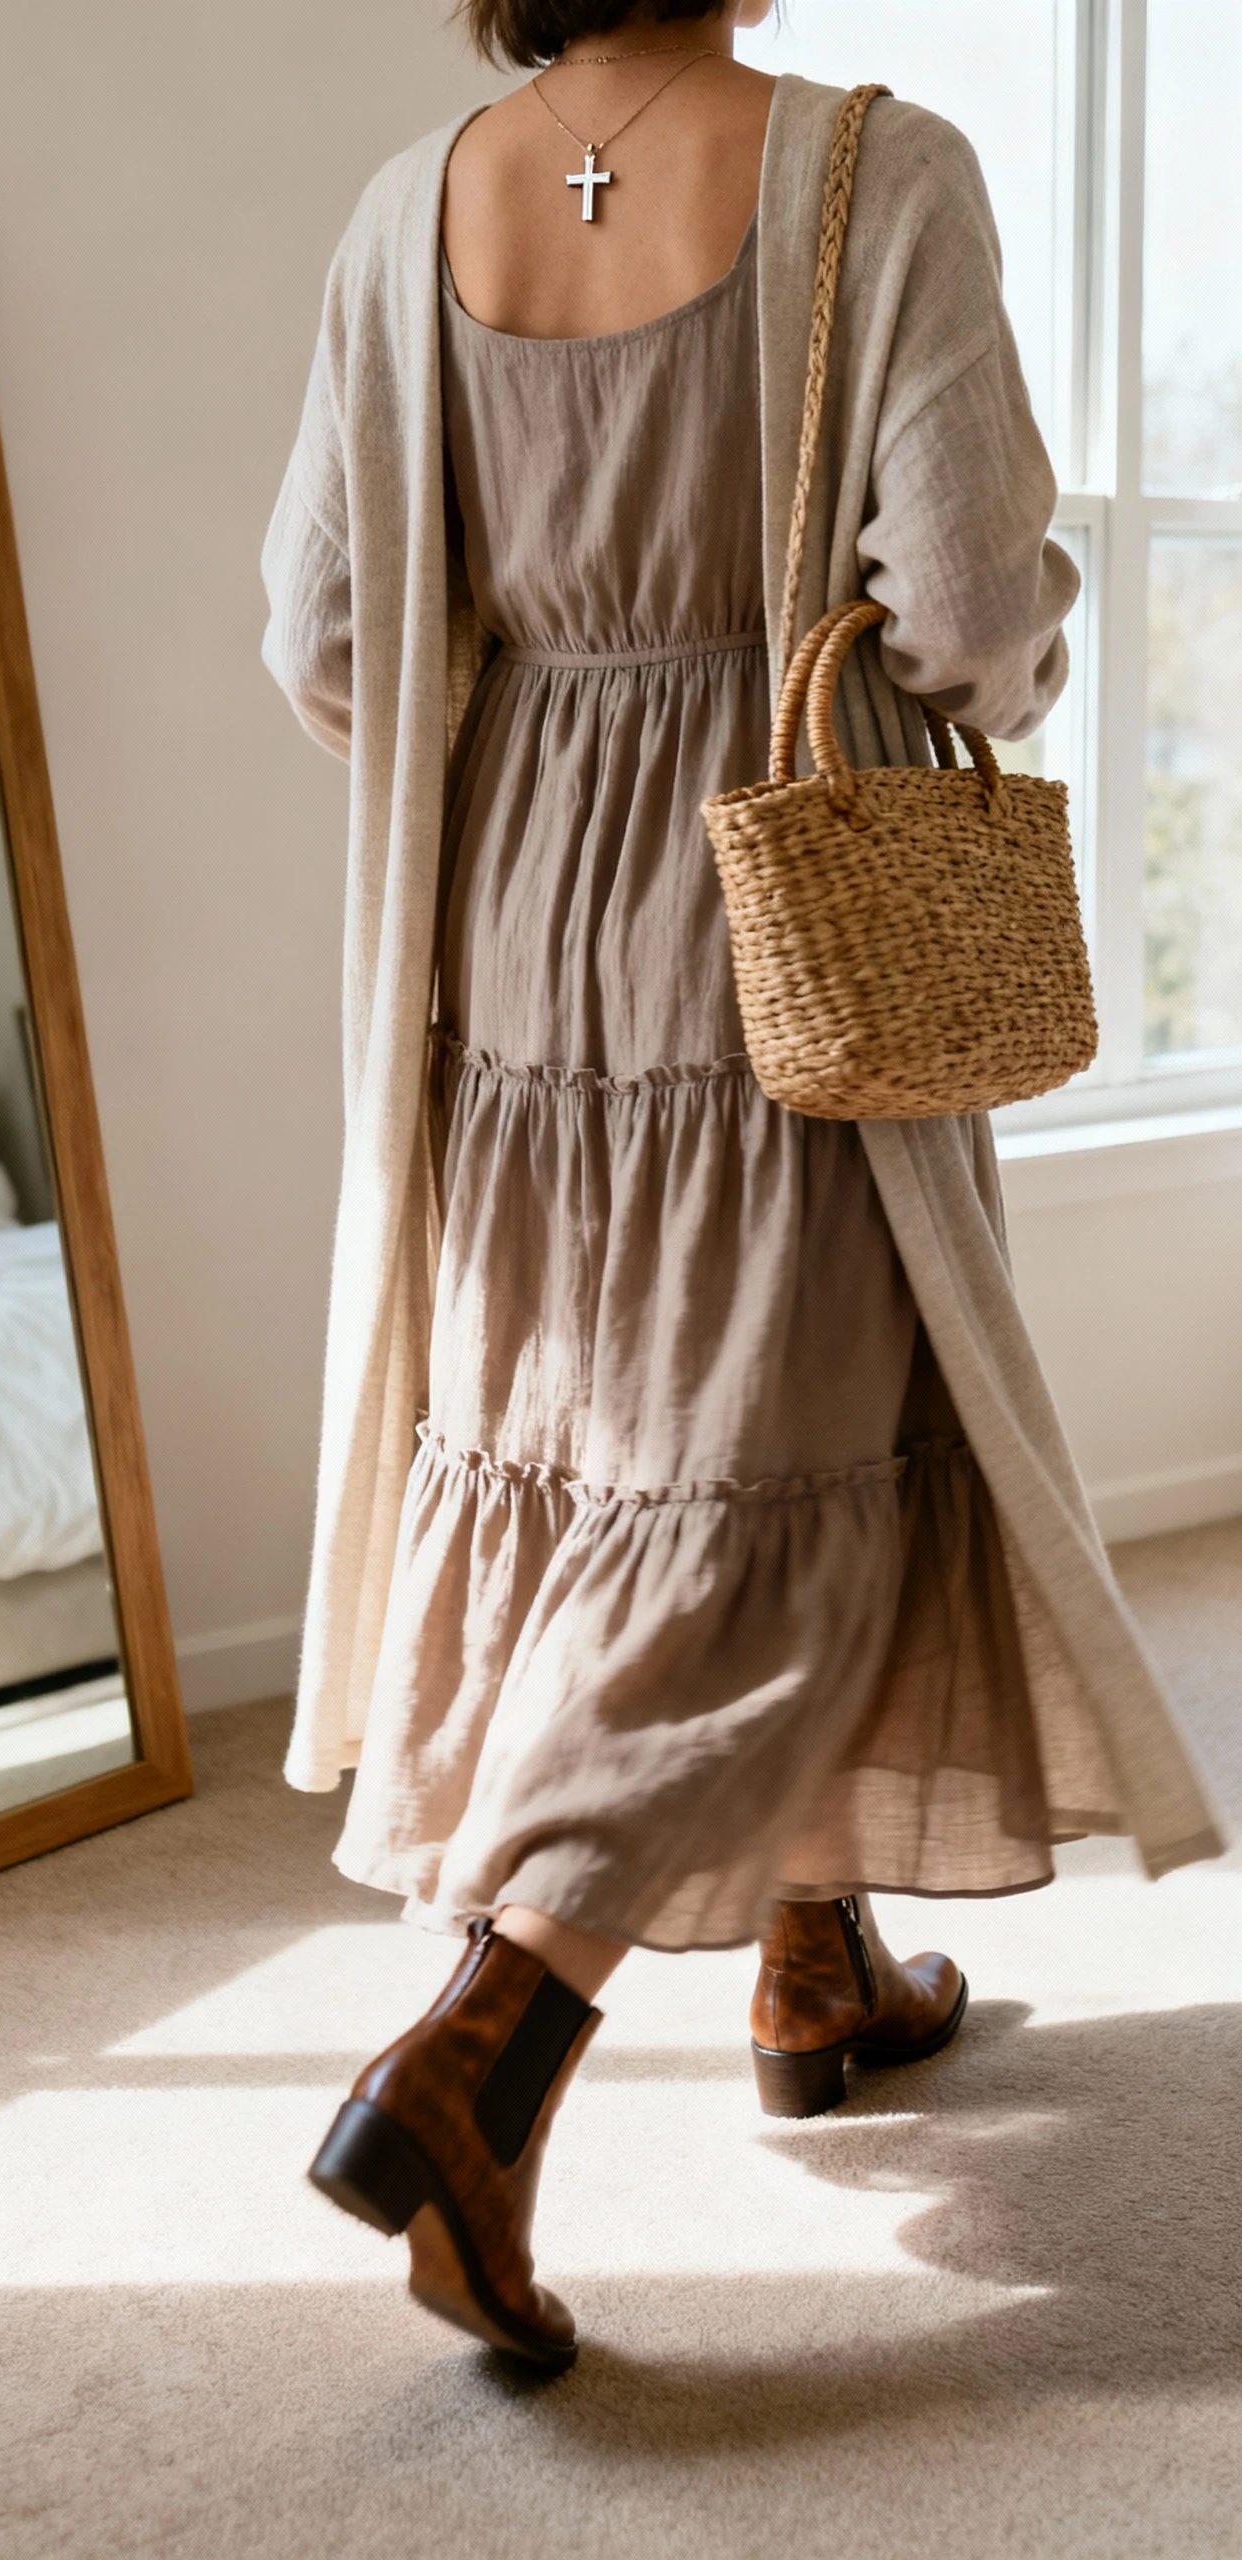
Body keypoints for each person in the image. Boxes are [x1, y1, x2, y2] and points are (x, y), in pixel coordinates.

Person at [263, 0, 1221, 2372]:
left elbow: (324, 638)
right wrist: (979, 676)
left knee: (634, 1446)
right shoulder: (878, 172)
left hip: (513, 931)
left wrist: (559, 721)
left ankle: (820, 1963)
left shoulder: (412, 215)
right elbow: (979, 614)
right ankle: (482, 2046)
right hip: (778, 908)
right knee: (791, 1468)